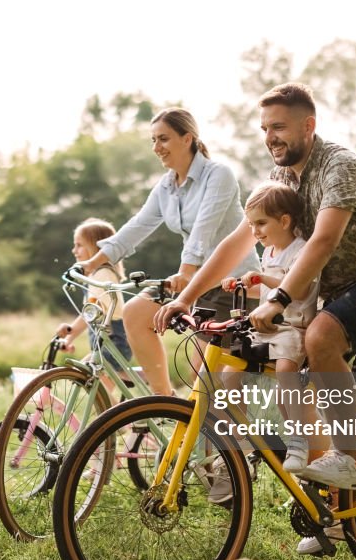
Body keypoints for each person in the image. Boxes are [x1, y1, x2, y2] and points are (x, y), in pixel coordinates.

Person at [155, 82, 356, 553]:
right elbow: (239, 242)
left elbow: (323, 241)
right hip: (334, 293)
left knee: (321, 337)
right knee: (279, 374)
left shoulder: (340, 166)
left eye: (279, 127)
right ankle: (332, 519)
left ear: (309, 125)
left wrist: (278, 299)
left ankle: (349, 458)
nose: (271, 137)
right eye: (265, 129)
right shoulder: (281, 179)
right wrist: (188, 296)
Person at [78, 108, 260, 396]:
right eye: (153, 140)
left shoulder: (218, 175)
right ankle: (164, 403)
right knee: (137, 312)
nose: (156, 148)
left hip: (232, 285)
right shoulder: (166, 187)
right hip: (195, 281)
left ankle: (227, 436)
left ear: (187, 138)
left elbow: (203, 230)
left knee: (204, 380)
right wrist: (93, 262)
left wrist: (186, 272)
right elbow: (137, 225)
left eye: (163, 139)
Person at [219, 183, 325, 473]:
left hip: (293, 328)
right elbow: (267, 295)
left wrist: (262, 279)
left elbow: (299, 290)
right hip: (267, 327)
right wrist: (243, 283)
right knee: (228, 373)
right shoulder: (269, 253)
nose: (255, 232)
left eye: (261, 223)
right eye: (252, 225)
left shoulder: (300, 250)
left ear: (285, 220)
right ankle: (240, 438)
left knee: (284, 379)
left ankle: (298, 441)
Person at [54, 218, 132, 389]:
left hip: (113, 343)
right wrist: (69, 336)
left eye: (79, 245)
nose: (74, 250)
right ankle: (118, 412)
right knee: (94, 387)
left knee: (91, 384)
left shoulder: (103, 274)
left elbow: (92, 312)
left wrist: (70, 336)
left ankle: (116, 415)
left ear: (96, 248)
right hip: (107, 343)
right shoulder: (95, 276)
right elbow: (88, 314)